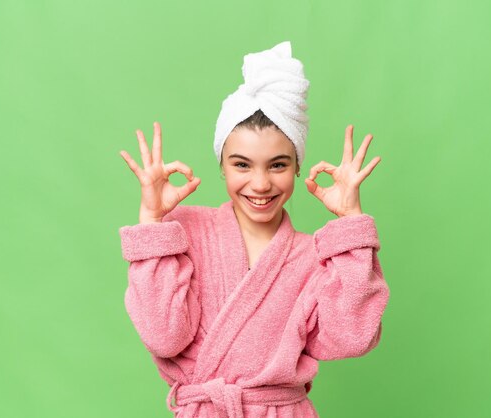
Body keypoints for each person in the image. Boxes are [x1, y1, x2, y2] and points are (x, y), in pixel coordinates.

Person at [118, 41, 390, 418]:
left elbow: (351, 337)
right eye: (242, 165)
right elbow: (165, 337)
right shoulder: (183, 232)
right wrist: (150, 221)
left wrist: (351, 225)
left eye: (277, 165)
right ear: (222, 167)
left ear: (297, 166)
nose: (260, 184)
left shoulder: (315, 255)